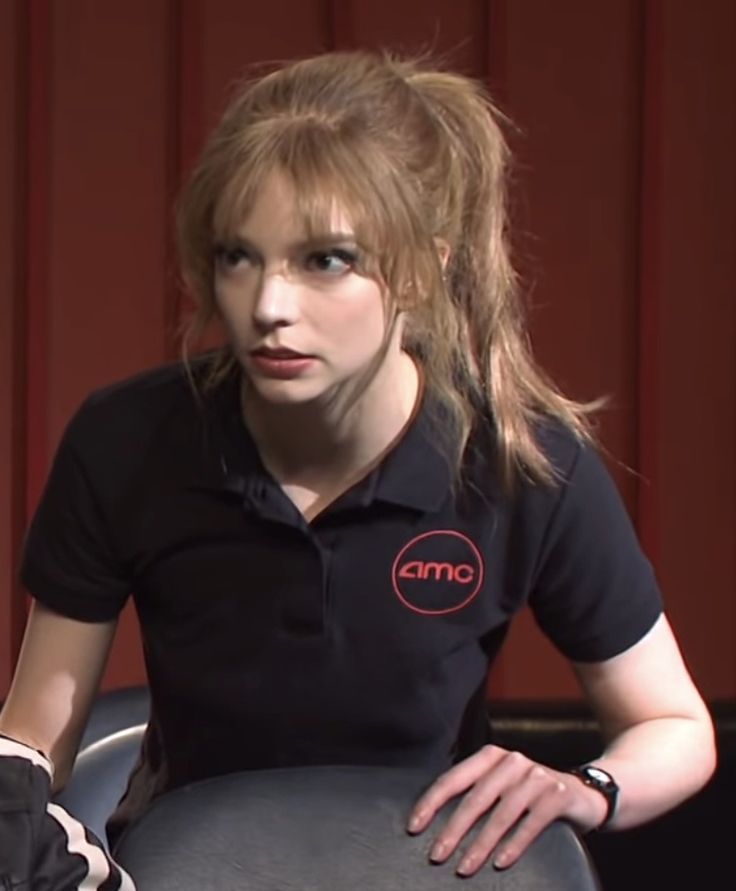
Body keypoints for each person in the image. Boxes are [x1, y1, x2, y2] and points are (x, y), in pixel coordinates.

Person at [0, 50, 715, 885]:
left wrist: (588, 785)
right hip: (190, 863)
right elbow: (33, 738)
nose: (269, 305)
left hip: (428, 867)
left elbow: (674, 724)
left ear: (424, 265)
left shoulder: (523, 461)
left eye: (324, 260)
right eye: (239, 256)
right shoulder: (126, 441)